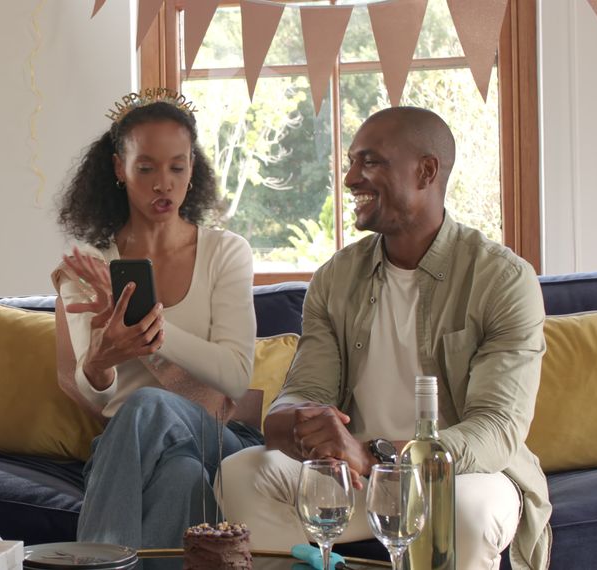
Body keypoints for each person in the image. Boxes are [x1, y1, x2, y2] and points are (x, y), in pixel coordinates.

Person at [219, 106, 550, 570]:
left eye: (370, 162)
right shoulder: (335, 278)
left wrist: (380, 456)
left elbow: (495, 430)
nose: (351, 178)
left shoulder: (502, 279)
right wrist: (300, 422)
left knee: (466, 515)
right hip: (355, 482)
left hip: (459, 478)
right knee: (241, 474)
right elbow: (302, 396)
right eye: (352, 163)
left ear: (425, 171)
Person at [52, 88, 262, 550]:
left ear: (193, 169)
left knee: (145, 405)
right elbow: (91, 390)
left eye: (177, 167)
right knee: (181, 476)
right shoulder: (88, 265)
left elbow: (236, 375)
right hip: (130, 451)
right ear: (118, 169)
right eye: (145, 168)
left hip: (215, 436)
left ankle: (94, 564)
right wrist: (101, 359)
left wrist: (151, 329)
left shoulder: (226, 253)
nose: (163, 183)